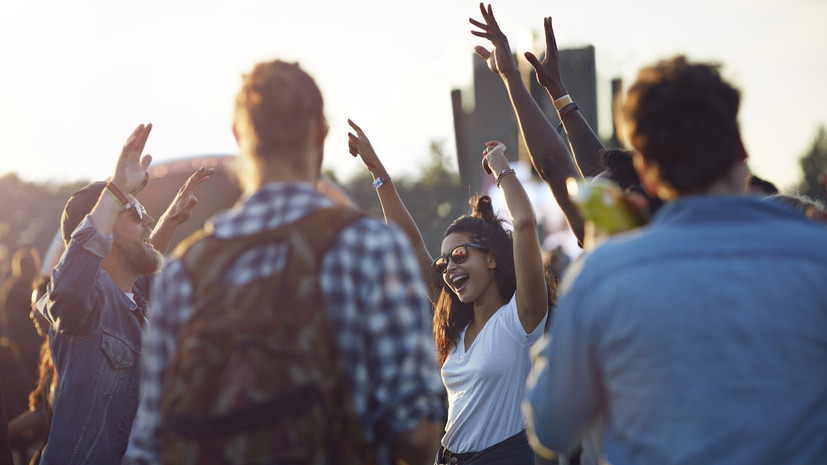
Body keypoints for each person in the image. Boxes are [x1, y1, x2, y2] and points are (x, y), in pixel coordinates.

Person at [125, 60, 445, 465]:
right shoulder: (371, 247)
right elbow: (418, 433)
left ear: (239, 136)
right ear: (320, 133)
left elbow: (150, 445)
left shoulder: (183, 272)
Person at [524, 56, 827, 464]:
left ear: (646, 172)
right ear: (740, 146)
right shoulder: (816, 253)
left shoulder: (603, 275)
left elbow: (552, 428)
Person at [348, 120, 547, 464]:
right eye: (443, 263)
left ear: (491, 259)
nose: (450, 268)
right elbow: (409, 241)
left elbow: (525, 224)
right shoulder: (457, 326)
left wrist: (502, 168)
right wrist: (376, 170)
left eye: (459, 255)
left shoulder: (521, 319)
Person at [34, 123, 213, 465]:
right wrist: (115, 191)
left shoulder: (137, 304)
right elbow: (68, 293)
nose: (149, 221)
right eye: (137, 213)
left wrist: (170, 220)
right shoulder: (88, 304)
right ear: (104, 233)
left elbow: (141, 264)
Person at [8, 275, 55, 465]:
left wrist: (7, 429)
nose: (32, 314)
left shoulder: (63, 355)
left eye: (37, 308)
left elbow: (44, 411)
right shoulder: (48, 350)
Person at [0, 247, 42, 381]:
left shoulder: (32, 287)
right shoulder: (14, 290)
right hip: (23, 345)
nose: (33, 271)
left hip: (34, 343)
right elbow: (14, 323)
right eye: (30, 268)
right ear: (21, 268)